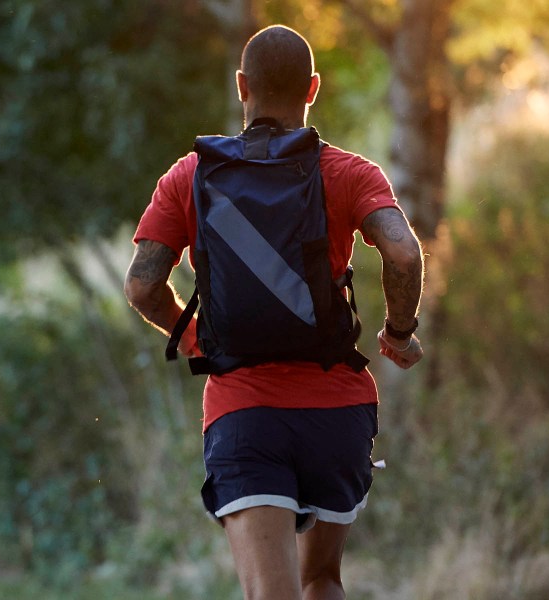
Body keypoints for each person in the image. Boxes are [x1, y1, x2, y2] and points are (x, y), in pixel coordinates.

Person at [123, 24, 424, 600]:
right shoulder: (349, 172)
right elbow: (404, 252)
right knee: (322, 578)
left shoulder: (190, 176)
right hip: (337, 411)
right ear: (312, 88)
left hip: (245, 413)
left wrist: (197, 341)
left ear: (242, 86)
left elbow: (141, 286)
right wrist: (400, 332)